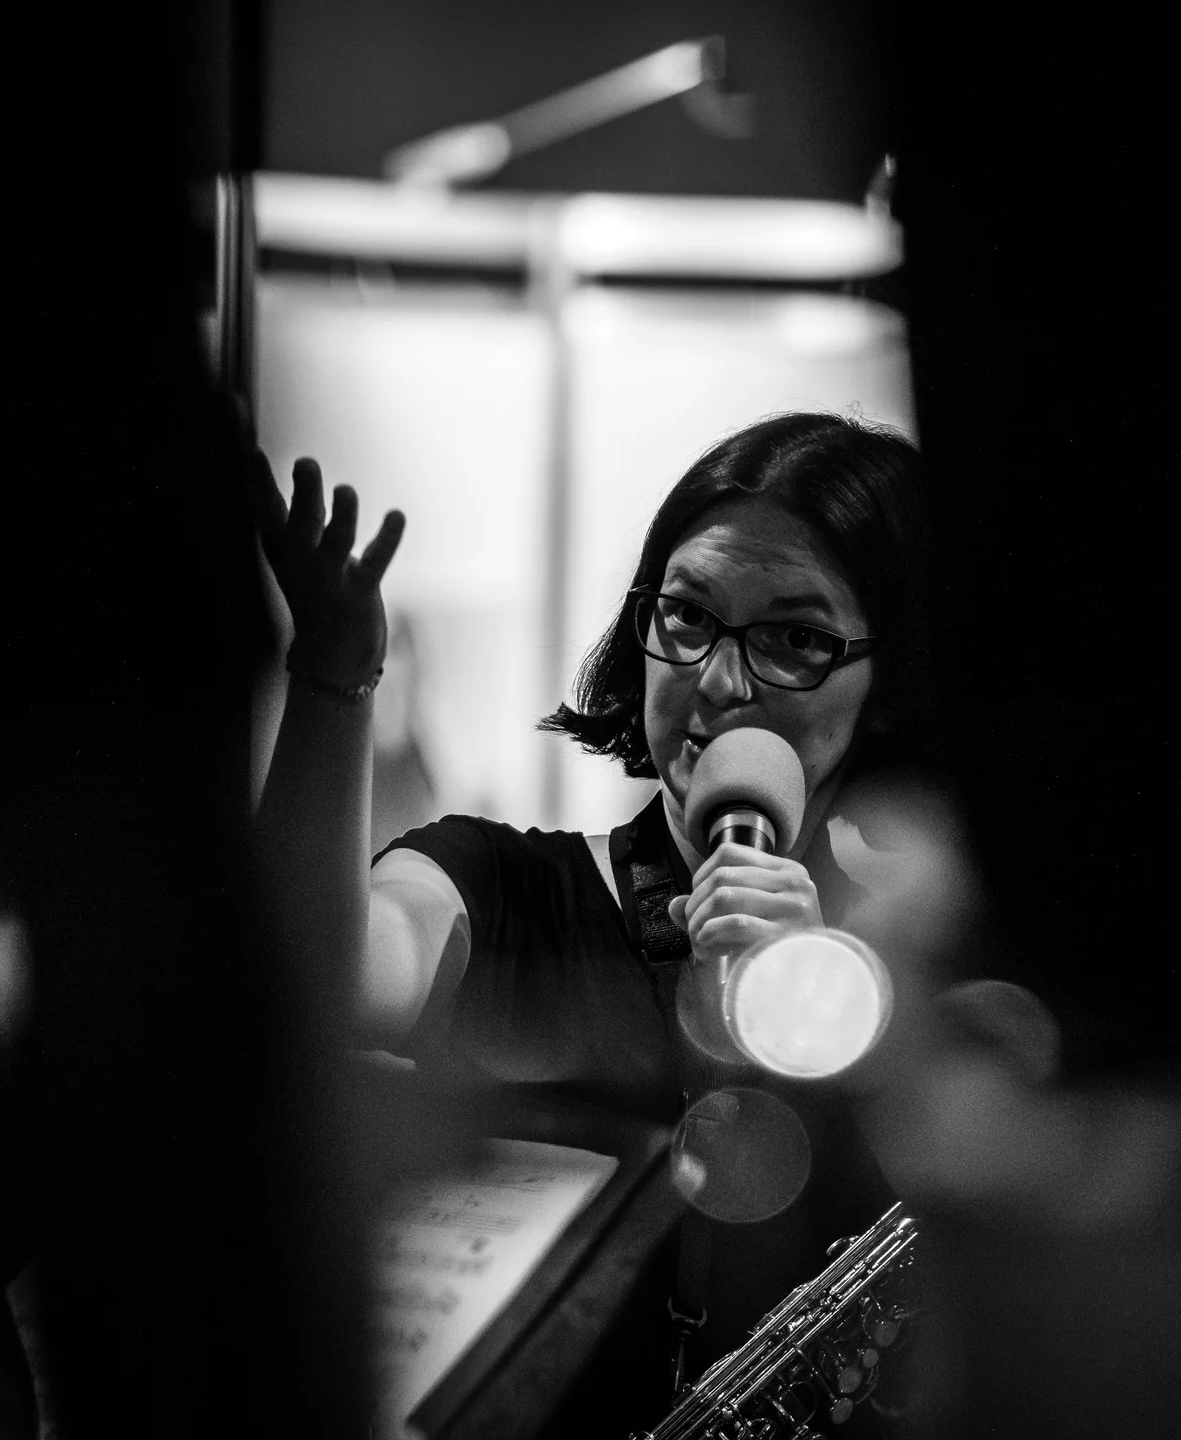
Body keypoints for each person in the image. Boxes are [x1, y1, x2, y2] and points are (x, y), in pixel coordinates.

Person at [252, 410, 931, 1431]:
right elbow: (308, 989)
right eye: (688, 617)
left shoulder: (929, 975)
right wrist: (331, 677)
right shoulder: (495, 882)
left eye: (795, 638)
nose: (720, 683)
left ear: (893, 684)